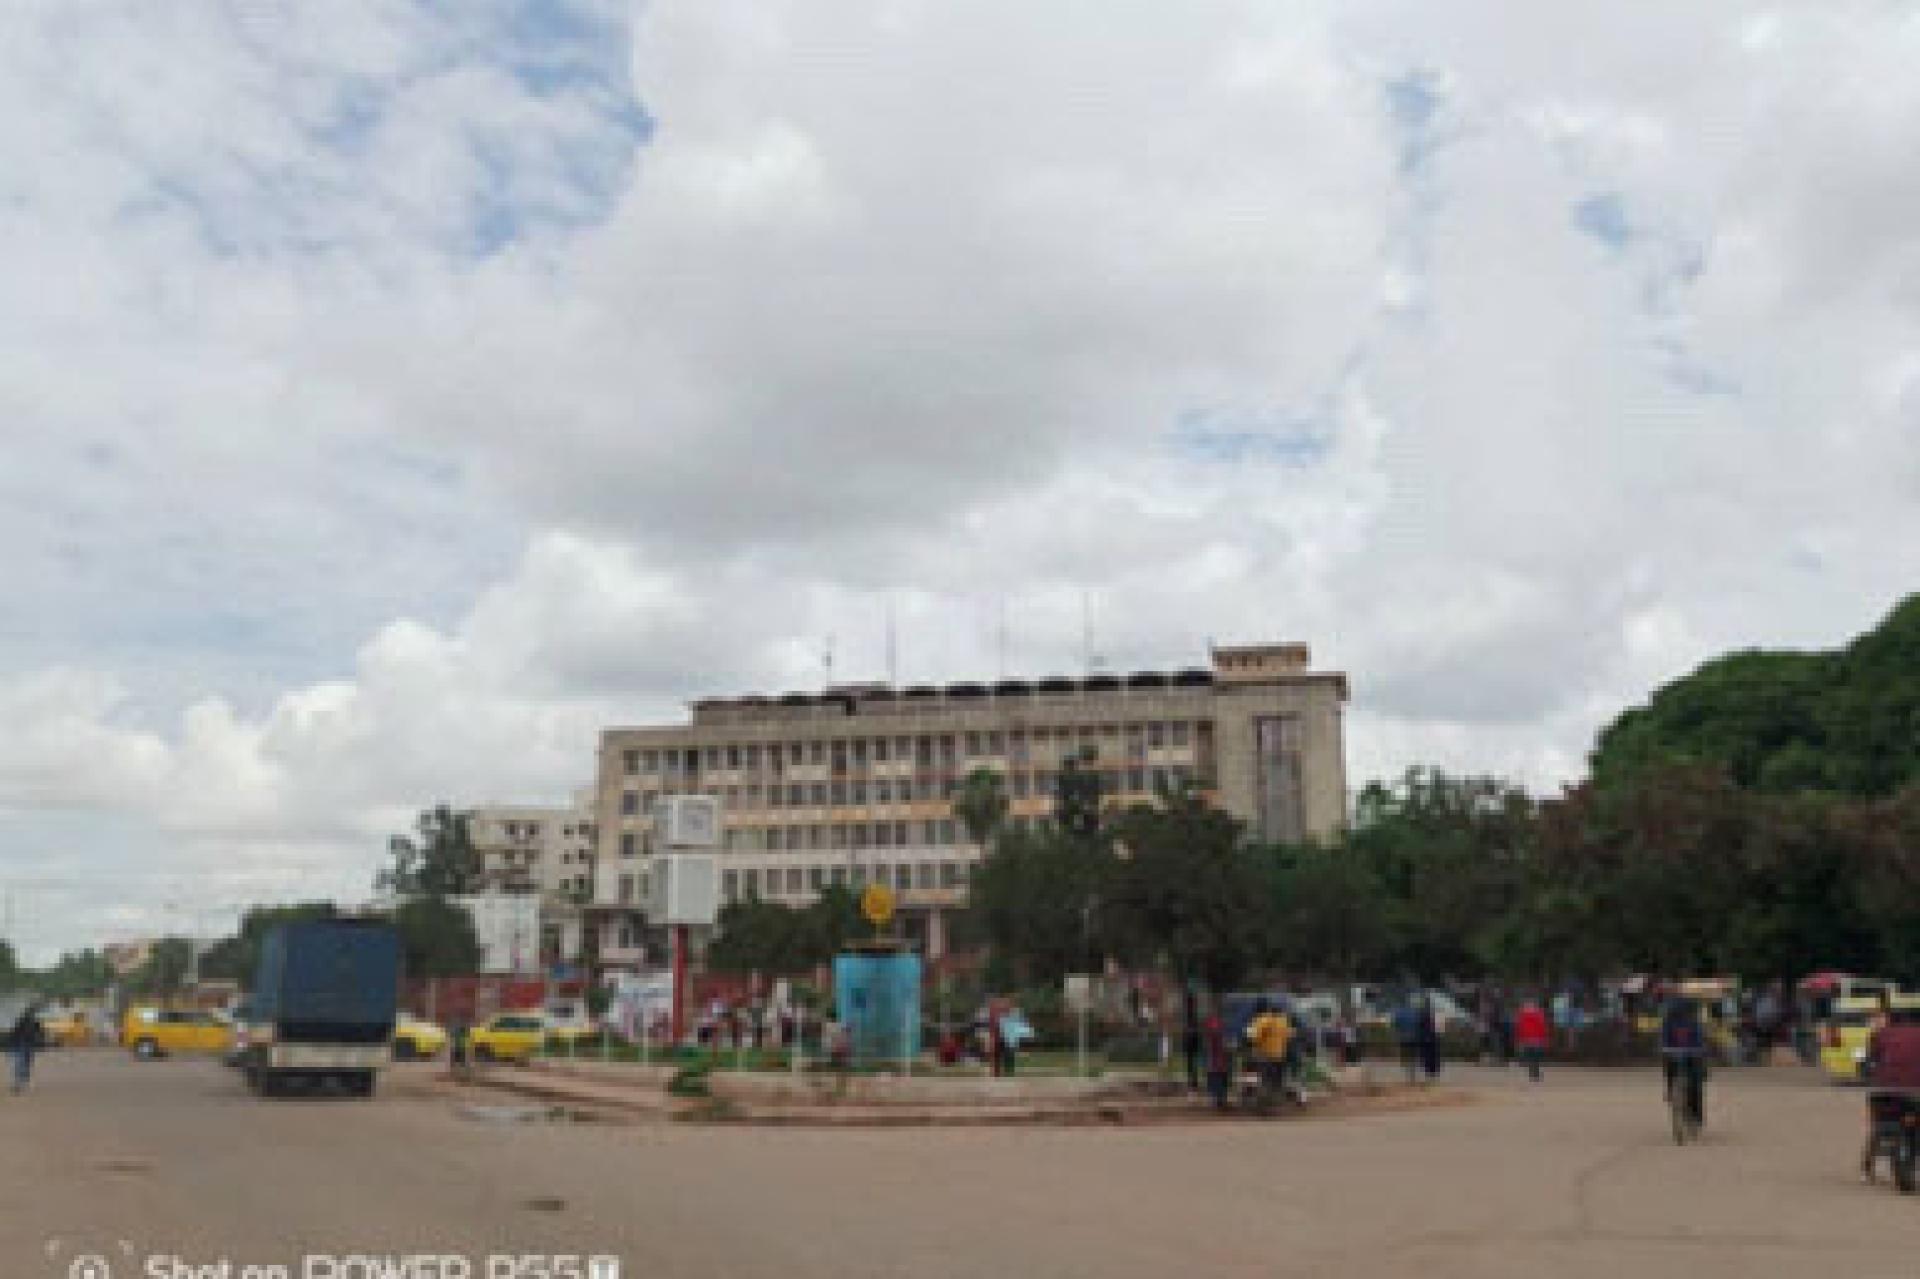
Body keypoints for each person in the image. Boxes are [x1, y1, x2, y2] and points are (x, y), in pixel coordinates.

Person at [1860, 1004, 1920, 1180]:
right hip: (1915, 1093)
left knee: (1878, 1124)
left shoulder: (1881, 1034)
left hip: (1884, 1092)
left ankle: (1867, 1168)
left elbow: (1870, 1060)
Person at [1660, 995, 1709, 1128]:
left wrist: (1699, 1049)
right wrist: (1665, 1048)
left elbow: (1699, 1038)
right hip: (1674, 1053)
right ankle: (1671, 1090)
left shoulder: (1694, 1022)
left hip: (1691, 1053)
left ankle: (1696, 1115)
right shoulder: (1668, 1021)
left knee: (1695, 1082)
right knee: (1669, 1066)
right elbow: (1664, 1038)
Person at [1244, 999, 1295, 1100]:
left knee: (1250, 1068)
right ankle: (1275, 1095)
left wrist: (1248, 1042)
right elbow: (1289, 1036)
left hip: (1264, 1053)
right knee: (1275, 1077)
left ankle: (1252, 1093)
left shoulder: (1261, 1019)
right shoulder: (1283, 1020)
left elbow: (1254, 1037)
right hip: (1279, 1054)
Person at [10, 1003, 45, 1094]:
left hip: (27, 1045)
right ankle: (19, 1083)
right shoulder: (23, 1021)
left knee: (25, 1063)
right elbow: (15, 1033)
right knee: (21, 1063)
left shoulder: (35, 1023)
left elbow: (40, 1034)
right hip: (22, 1044)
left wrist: (41, 1043)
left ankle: (22, 1082)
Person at [1201, 1007, 1232, 1111]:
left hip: (1217, 1058)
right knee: (1218, 1077)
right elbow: (1219, 1041)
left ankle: (1219, 1099)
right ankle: (1219, 1099)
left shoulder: (1216, 1023)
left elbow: (1209, 1040)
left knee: (1218, 1077)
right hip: (1217, 1058)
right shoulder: (1218, 1024)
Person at [1514, 997, 1551, 1083]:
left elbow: (1518, 1028)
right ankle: (1536, 1074)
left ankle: (1532, 1073)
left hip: (1526, 1040)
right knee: (1536, 1058)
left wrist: (1519, 1039)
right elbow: (1543, 1027)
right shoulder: (1539, 1014)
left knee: (1530, 1057)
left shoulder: (1521, 1015)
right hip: (1537, 1040)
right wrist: (1545, 1038)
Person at [1181, 986, 1202, 1093]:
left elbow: (1191, 1027)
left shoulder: (1190, 1014)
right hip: (1192, 1039)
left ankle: (1193, 1081)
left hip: (1191, 1039)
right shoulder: (1192, 1013)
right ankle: (1193, 1081)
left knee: (1191, 1062)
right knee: (1192, 1062)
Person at [1415, 995, 1441, 1082]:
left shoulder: (1423, 1013)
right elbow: (1425, 1025)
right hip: (1430, 1036)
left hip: (1428, 1036)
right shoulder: (1428, 1013)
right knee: (1431, 1054)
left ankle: (1430, 1070)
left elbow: (1421, 1026)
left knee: (1428, 1054)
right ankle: (1431, 1070)